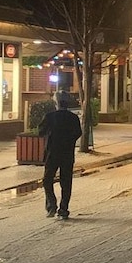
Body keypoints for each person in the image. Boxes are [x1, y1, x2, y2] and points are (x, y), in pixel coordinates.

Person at [39, 92, 82, 220]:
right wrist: (69, 141)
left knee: (47, 180)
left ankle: (51, 205)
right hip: (67, 154)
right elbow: (78, 133)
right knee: (66, 181)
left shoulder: (50, 116)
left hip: (53, 153)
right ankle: (64, 208)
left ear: (56, 102)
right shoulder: (73, 118)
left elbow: (41, 132)